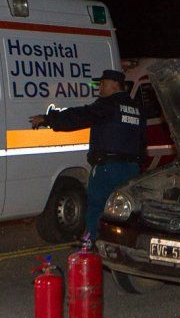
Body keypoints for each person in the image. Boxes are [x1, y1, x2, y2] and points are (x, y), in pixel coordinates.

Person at [29, 70, 146, 239]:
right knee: (124, 209)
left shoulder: (108, 104)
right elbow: (142, 141)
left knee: (97, 207)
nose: (100, 87)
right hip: (131, 169)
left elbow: (80, 115)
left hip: (108, 168)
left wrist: (49, 119)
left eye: (103, 84)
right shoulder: (136, 108)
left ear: (115, 85)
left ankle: (93, 244)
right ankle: (120, 243)